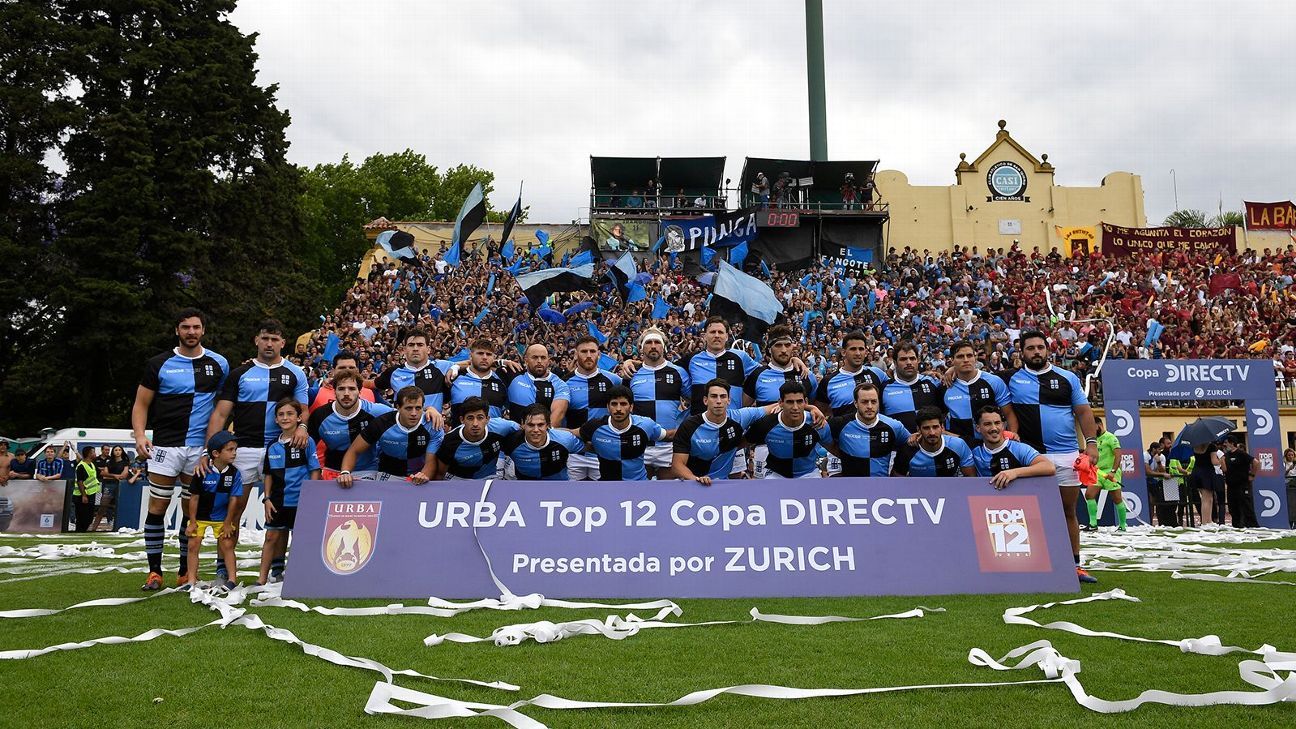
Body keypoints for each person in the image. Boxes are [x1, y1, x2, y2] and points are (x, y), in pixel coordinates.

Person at [132, 307, 229, 590]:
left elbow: (224, 406)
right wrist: (140, 435)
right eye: (186, 327)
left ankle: (185, 570)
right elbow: (141, 404)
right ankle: (154, 571)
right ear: (177, 330)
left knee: (191, 511)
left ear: (203, 330)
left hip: (198, 449)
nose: (191, 332)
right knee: (158, 507)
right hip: (164, 446)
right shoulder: (159, 363)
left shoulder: (218, 364)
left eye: (196, 327)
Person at [1008, 330, 1099, 584]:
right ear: (1021, 353)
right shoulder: (1011, 379)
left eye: (1040, 347)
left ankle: (1075, 565)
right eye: (1030, 348)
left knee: (1068, 511)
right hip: (1032, 457)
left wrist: (1091, 444)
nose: (1036, 352)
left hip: (1066, 454)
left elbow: (1083, 412)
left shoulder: (1067, 377)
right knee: (1029, 513)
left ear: (1047, 350)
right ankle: (1033, 564)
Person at [744, 325, 818, 478]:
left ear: (793, 347)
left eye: (787, 345)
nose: (784, 350)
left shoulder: (806, 375)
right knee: (766, 499)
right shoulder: (757, 375)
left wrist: (811, 408)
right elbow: (743, 410)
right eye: (778, 345)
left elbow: (816, 408)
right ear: (769, 348)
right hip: (765, 446)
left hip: (802, 448)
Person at [260, 399, 320, 585]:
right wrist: (267, 498)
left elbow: (315, 470)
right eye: (281, 414)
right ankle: (262, 579)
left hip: (299, 500)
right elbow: (268, 474)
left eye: (290, 414)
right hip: (277, 501)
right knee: (271, 537)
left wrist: (310, 496)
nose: (285, 417)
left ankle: (296, 577)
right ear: (276, 420)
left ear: (298, 418)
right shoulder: (272, 446)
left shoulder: (306, 441)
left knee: (298, 540)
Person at [671, 379, 773, 484]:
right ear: (705, 400)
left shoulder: (739, 417)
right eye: (714, 396)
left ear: (729, 400)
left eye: (723, 396)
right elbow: (677, 466)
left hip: (722, 484)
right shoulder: (689, 425)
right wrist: (696, 479)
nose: (718, 401)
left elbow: (773, 408)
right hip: (693, 483)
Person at [339, 386, 445, 484]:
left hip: (419, 475)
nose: (414, 413)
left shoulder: (432, 426)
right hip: (388, 474)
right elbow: (354, 450)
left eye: (418, 408)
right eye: (408, 408)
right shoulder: (381, 423)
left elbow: (431, 462)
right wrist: (345, 472)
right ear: (398, 407)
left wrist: (423, 476)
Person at [626, 329, 690, 478]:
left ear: (664, 347)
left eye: (657, 342)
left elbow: (696, 402)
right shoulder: (631, 372)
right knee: (640, 494)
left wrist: (683, 424)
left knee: (668, 495)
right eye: (649, 342)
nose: (653, 346)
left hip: (669, 445)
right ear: (641, 348)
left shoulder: (678, 372)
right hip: (641, 442)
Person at [308, 370, 395, 479]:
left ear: (360, 391)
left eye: (352, 389)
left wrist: (424, 414)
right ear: (334, 391)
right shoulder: (320, 415)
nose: (346, 393)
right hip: (333, 470)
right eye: (341, 389)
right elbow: (308, 447)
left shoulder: (376, 411)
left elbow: (404, 415)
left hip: (367, 471)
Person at [576, 385, 674, 481]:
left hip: (638, 486)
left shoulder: (645, 425)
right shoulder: (594, 426)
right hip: (607, 486)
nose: (618, 409)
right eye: (614, 404)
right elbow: (571, 434)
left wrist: (688, 429)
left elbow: (669, 435)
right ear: (608, 407)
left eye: (623, 404)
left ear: (631, 407)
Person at [186, 432, 242, 590]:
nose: (234, 453)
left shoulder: (235, 473)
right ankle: (191, 581)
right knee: (193, 545)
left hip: (221, 518)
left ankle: (231, 580)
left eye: (235, 449)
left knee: (227, 545)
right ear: (216, 454)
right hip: (201, 517)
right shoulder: (201, 471)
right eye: (230, 450)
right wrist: (192, 521)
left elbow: (234, 500)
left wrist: (227, 523)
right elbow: (194, 498)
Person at [563, 336, 623, 481]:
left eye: (592, 351)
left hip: (602, 452)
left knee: (604, 499)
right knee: (572, 499)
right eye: (584, 351)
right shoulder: (564, 382)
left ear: (599, 354)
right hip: (574, 453)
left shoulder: (613, 380)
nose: (588, 355)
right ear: (576, 354)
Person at [744, 382, 833, 479]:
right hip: (776, 474)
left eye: (799, 401)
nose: (795, 407)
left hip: (809, 473)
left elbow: (832, 448)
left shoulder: (818, 423)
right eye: (790, 402)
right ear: (780, 403)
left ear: (805, 402)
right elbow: (740, 444)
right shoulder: (766, 424)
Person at [825, 383, 912, 477]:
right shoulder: (840, 424)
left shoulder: (894, 426)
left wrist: (899, 471)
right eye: (864, 402)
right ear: (855, 403)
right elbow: (817, 433)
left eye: (874, 401)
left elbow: (911, 443)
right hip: (851, 486)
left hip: (881, 486)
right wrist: (811, 408)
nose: (870, 406)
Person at [944, 340, 1015, 447]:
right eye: (960, 357)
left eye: (969, 355)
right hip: (959, 446)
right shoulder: (945, 385)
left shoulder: (994, 381)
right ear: (952, 360)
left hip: (991, 446)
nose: (966, 360)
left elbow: (1009, 414)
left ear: (975, 357)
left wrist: (1013, 437)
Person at [431, 396, 518, 480]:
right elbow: (440, 474)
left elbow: (525, 430)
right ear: (462, 420)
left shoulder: (502, 427)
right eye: (470, 418)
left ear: (487, 419)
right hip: (459, 479)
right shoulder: (449, 441)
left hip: (490, 477)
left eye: (480, 418)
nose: (475, 423)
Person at [970, 406, 1057, 490]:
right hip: (984, 499)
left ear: (1003, 425)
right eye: (987, 424)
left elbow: (1049, 467)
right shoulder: (973, 449)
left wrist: (1015, 472)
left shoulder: (1018, 448)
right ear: (978, 428)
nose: (994, 428)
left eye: (997, 423)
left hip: (1017, 500)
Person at [373, 331, 450, 418]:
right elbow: (368, 385)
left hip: (432, 429)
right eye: (411, 345)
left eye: (420, 345)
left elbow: (467, 364)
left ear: (428, 349)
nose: (415, 348)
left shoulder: (441, 367)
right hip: (401, 429)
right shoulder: (394, 372)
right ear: (405, 349)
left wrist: (455, 368)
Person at [502, 404, 586, 480]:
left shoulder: (565, 440)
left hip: (559, 487)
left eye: (540, 425)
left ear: (548, 425)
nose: (536, 430)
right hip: (525, 488)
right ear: (523, 424)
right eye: (531, 425)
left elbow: (590, 448)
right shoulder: (511, 442)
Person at [881, 340, 945, 432]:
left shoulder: (932, 382)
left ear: (917, 360)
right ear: (895, 363)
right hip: (899, 445)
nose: (909, 362)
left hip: (930, 444)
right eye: (903, 359)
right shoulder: (884, 388)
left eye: (912, 358)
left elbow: (944, 412)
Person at [893, 406, 976, 477]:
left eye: (935, 427)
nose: (932, 433)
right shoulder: (907, 451)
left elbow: (970, 479)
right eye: (926, 428)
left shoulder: (958, 445)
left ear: (942, 427)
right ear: (918, 429)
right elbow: (896, 483)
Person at [506, 344, 569, 426]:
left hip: (543, 435)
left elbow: (557, 416)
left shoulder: (559, 385)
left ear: (548, 361)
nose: (539, 361)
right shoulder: (513, 375)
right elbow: (486, 366)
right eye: (535, 357)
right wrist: (503, 362)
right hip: (515, 436)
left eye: (543, 358)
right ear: (526, 360)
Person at [1083, 417, 1127, 532]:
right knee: (1089, 495)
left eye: (1093, 428)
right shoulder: (1093, 440)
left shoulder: (1111, 438)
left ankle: (1123, 526)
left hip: (1110, 472)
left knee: (1117, 498)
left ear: (1099, 425)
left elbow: (1118, 455)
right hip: (1097, 472)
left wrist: (1113, 471)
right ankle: (1093, 524)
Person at [309, 350, 378, 412]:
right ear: (333, 370)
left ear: (357, 370)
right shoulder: (314, 393)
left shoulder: (371, 393)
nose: (347, 371)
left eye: (351, 368)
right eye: (342, 368)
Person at [90, 446, 130, 532]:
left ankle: (118, 527)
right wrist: (115, 476)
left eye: (119, 450)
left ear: (122, 452)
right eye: (116, 450)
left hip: (120, 486)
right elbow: (104, 474)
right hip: (109, 485)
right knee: (102, 507)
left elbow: (124, 475)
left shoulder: (125, 463)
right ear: (113, 452)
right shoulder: (109, 462)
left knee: (120, 507)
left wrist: (111, 476)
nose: (118, 452)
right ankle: (94, 528)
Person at [1223, 439, 1258, 528]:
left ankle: (1252, 525)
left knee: (1246, 505)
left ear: (1232, 443)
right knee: (1232, 507)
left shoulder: (1241, 454)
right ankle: (1237, 525)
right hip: (1231, 485)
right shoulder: (1226, 456)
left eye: (1226, 443)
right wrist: (1221, 461)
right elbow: (1224, 469)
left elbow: (1256, 462)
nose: (1224, 445)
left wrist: (1252, 475)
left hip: (1242, 484)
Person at [1189, 441, 1222, 526]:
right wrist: (1222, 460)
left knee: (1208, 498)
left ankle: (1209, 520)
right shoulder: (1211, 446)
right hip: (1207, 473)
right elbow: (1214, 461)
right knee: (1206, 499)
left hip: (1196, 472)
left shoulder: (1195, 445)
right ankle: (1204, 522)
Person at [1145, 442, 1177, 526]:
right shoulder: (1146, 455)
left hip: (1155, 481)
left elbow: (1163, 471)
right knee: (1150, 502)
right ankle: (1150, 522)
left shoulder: (1161, 457)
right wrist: (1161, 474)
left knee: (1158, 502)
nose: (1160, 451)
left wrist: (1158, 463)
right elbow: (1148, 472)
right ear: (1153, 449)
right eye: (1159, 449)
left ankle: (1161, 522)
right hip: (1146, 481)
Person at [72, 445, 101, 533]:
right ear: (89, 454)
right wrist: (84, 495)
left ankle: (83, 531)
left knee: (89, 517)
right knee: (81, 517)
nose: (95, 454)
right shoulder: (81, 466)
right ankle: (79, 532)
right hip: (81, 495)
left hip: (91, 493)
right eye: (93, 452)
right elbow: (80, 481)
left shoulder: (92, 464)